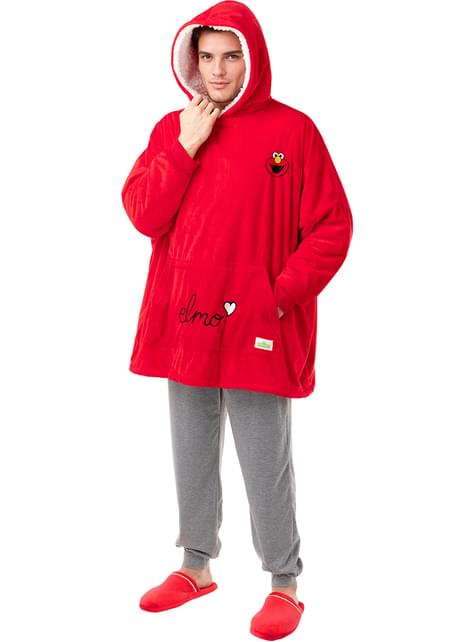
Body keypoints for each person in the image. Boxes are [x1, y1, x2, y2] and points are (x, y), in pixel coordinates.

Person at [121, 1, 353, 639]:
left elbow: (331, 226)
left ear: (252, 60)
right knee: (190, 447)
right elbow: (143, 213)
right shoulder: (173, 128)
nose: (218, 70)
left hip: (257, 323)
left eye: (231, 56)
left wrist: (276, 297)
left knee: (263, 454)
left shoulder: (294, 132)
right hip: (188, 317)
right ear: (191, 62)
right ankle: (195, 566)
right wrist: (185, 147)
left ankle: (284, 582)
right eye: (207, 57)